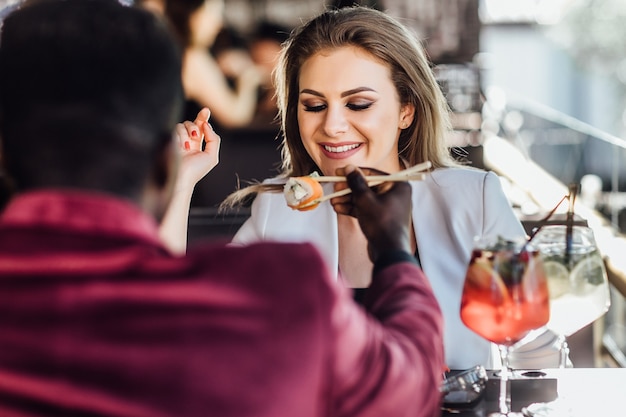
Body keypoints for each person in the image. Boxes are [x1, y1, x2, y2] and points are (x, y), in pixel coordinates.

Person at [0, 2, 445, 417]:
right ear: (162, 164)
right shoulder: (278, 292)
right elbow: (411, 385)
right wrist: (392, 251)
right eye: (313, 105)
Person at [218, 5, 561, 370]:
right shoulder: (278, 208)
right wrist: (183, 184)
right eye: (314, 105)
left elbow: (535, 347)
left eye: (358, 104)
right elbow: (204, 329)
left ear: (406, 110)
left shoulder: (474, 199)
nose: (332, 125)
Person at [161, 0, 265, 128]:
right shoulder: (191, 57)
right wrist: (248, 78)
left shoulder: (167, 46)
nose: (218, 24)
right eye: (212, 13)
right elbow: (235, 116)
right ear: (192, 14)